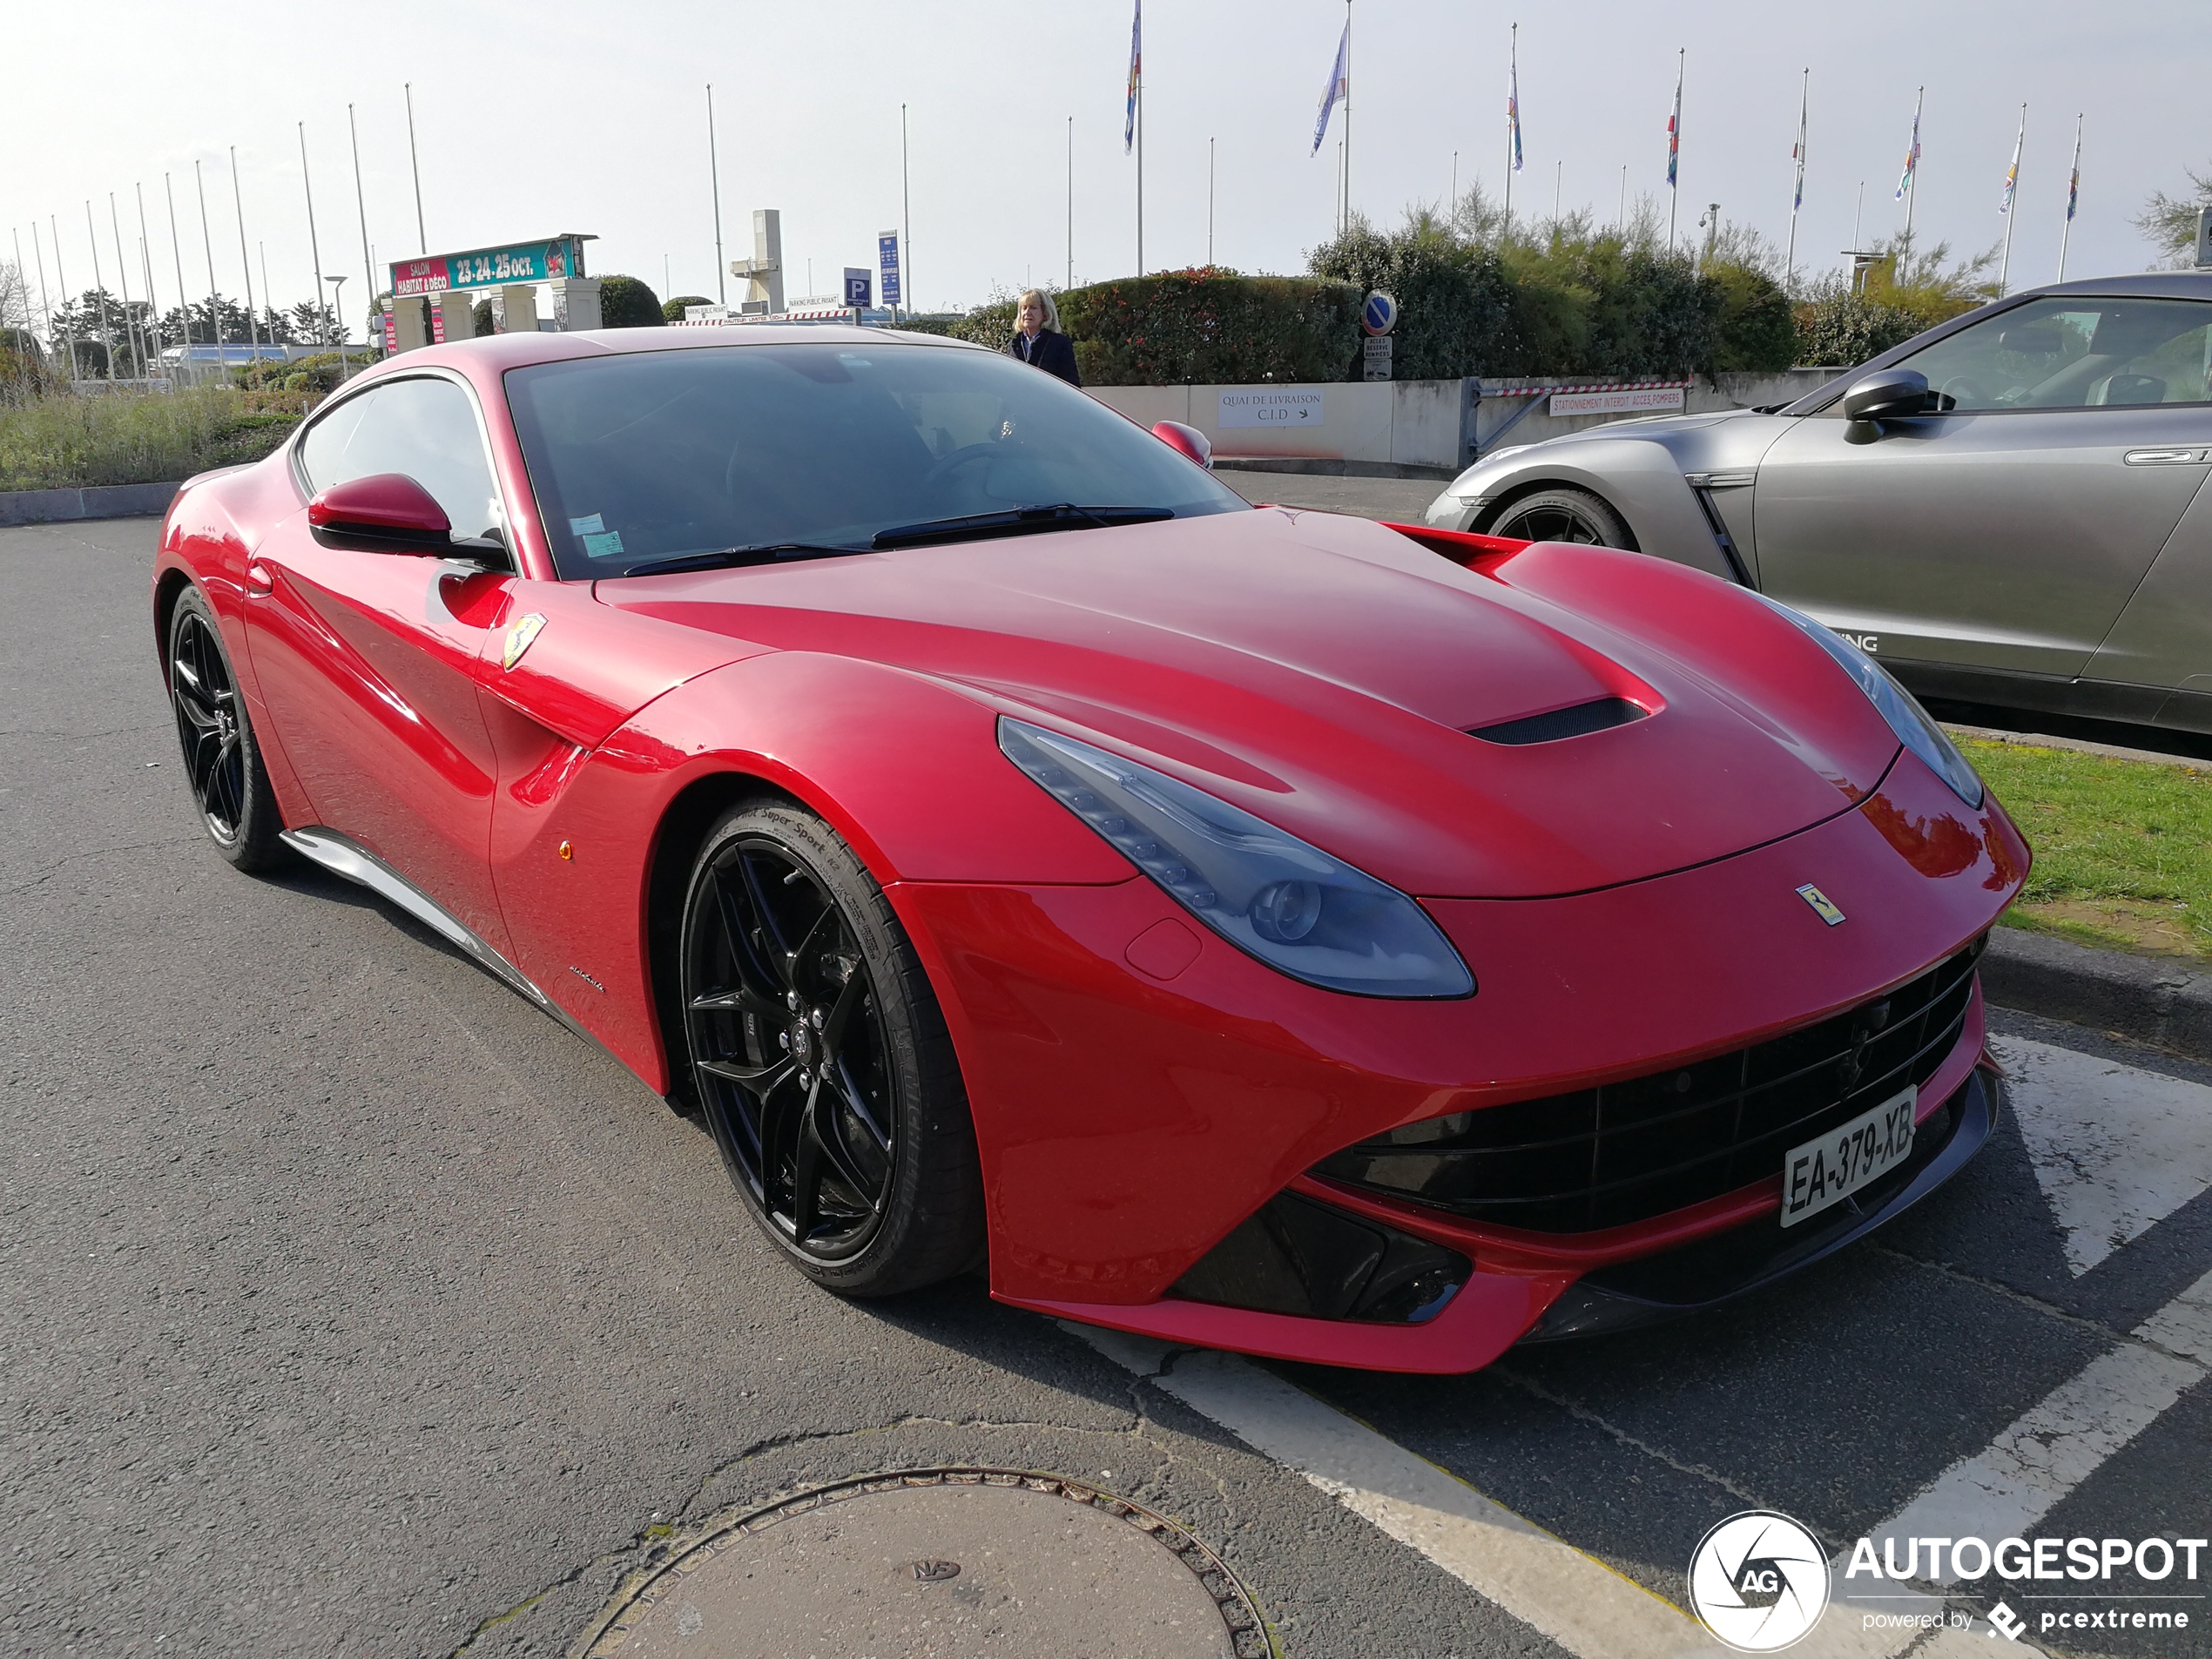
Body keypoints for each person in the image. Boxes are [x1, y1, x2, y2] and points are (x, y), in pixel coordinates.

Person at [1006, 289, 1081, 387]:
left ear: (1045, 313)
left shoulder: (1059, 343)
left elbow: (1071, 384)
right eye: (1024, 308)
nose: (1027, 312)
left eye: (1033, 308)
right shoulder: (1014, 344)